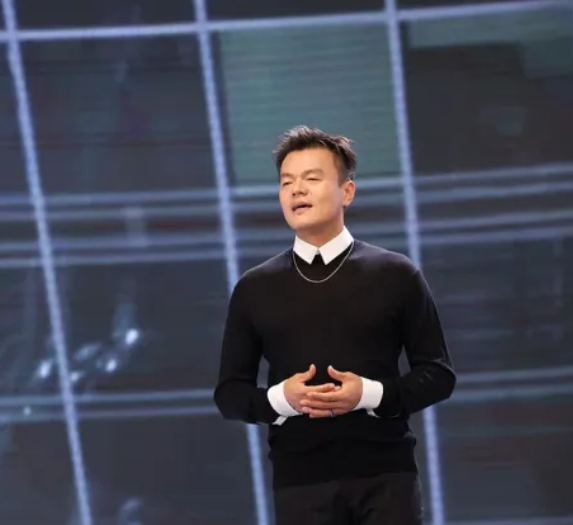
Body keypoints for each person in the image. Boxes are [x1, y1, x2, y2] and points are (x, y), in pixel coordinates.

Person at [214, 126, 456, 525]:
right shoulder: (255, 287)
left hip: (387, 477)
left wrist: (368, 395)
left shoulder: (396, 274)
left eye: (311, 178)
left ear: (347, 192)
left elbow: (438, 375)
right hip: (299, 483)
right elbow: (229, 394)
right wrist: (283, 400)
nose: (297, 190)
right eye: (286, 182)